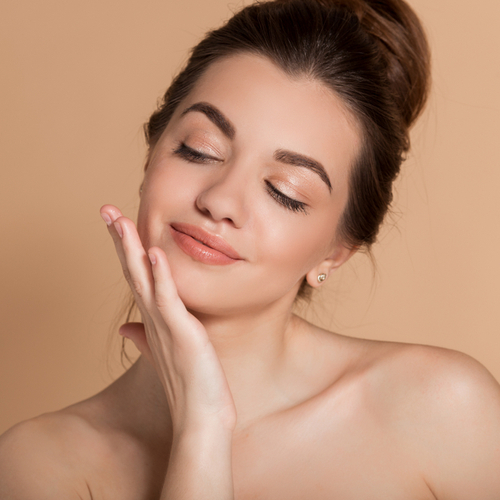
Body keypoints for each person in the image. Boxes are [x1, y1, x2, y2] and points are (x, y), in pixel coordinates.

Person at [1, 0, 500, 498]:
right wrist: (201, 425)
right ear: (152, 157)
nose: (220, 201)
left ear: (335, 253)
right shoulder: (38, 465)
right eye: (199, 149)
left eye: (285, 191)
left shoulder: (443, 412)